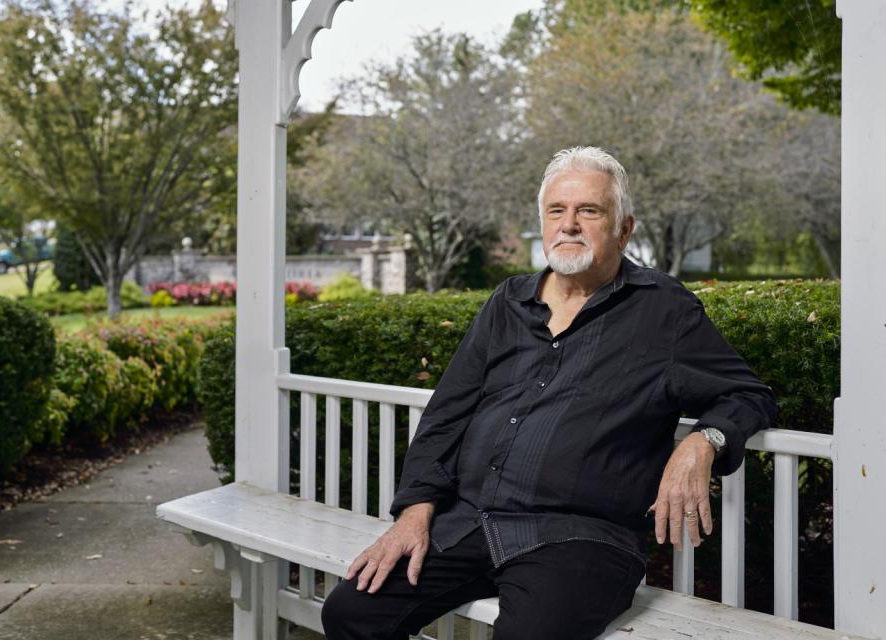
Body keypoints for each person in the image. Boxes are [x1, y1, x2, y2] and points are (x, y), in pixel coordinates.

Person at [321, 146, 777, 640]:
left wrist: (702, 442)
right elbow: (446, 416)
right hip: (470, 523)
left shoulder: (664, 312)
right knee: (351, 612)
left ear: (624, 228)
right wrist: (415, 513)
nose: (570, 224)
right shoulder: (508, 301)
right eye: (557, 211)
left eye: (590, 210)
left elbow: (748, 395)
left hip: (580, 541)